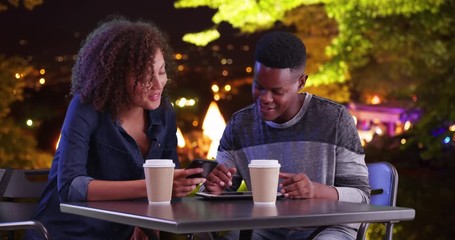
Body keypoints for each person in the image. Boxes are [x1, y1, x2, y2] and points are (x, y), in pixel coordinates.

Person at [26, 17, 205, 240]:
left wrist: (201, 182)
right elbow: (71, 187)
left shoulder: (164, 112)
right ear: (117, 77)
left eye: (161, 71)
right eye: (146, 77)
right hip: (69, 232)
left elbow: (169, 186)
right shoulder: (86, 107)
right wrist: (153, 188)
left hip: (124, 232)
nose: (159, 84)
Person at [204, 31, 370, 240]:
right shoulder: (240, 125)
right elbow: (222, 192)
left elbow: (362, 197)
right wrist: (214, 188)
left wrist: (315, 190)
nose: (265, 98)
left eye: (277, 91)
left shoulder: (334, 119)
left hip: (328, 229)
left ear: (301, 82)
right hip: (264, 230)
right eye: (259, 87)